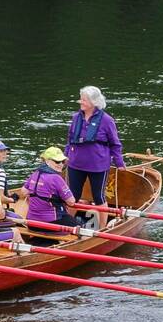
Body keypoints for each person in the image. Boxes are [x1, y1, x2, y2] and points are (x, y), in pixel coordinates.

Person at [64, 85, 125, 217]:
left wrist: (119, 163)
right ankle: (68, 224)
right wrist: (65, 156)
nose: (81, 102)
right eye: (81, 99)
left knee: (99, 197)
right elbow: (70, 139)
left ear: (94, 102)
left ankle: (103, 229)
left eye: (84, 100)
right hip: (75, 163)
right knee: (72, 196)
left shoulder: (107, 120)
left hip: (98, 166)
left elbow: (115, 143)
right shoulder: (76, 117)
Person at [22, 147, 82, 230]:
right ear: (47, 161)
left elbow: (24, 192)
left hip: (31, 223)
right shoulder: (56, 178)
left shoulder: (35, 173)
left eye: (63, 161)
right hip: (51, 223)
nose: (61, 164)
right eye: (57, 161)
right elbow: (71, 202)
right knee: (80, 227)